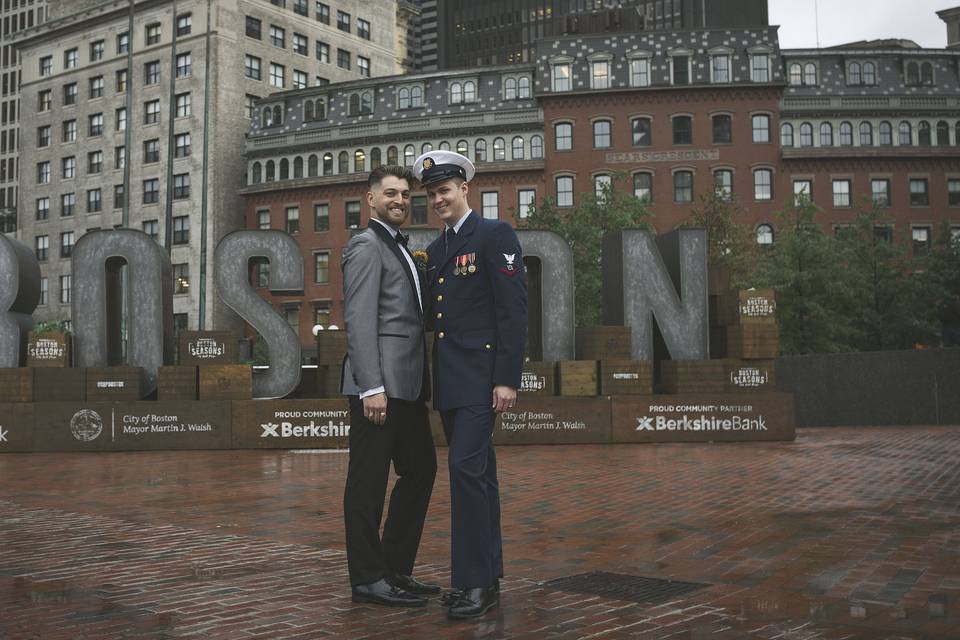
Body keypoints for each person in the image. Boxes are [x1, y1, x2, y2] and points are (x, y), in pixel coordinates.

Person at [413, 150, 528, 620]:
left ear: (464, 189)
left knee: (464, 472)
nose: (438, 199)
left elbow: (513, 310)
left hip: (482, 380)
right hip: (450, 382)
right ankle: (486, 577)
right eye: (432, 193)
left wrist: (506, 378)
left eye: (445, 190)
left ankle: (474, 584)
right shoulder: (436, 250)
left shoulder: (493, 234)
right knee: (478, 476)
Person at [341, 165, 439, 607]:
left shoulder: (403, 247)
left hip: (409, 386)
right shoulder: (365, 245)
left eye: (404, 194)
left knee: (420, 471)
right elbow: (359, 322)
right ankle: (366, 579)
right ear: (371, 200)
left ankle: (394, 571)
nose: (400, 200)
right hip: (378, 388)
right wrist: (370, 387)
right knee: (367, 484)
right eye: (390, 194)